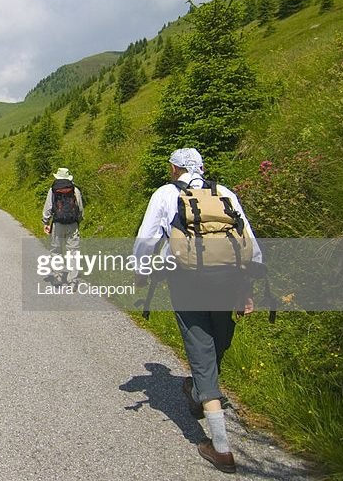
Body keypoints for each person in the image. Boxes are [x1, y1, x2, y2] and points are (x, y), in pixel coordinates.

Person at [132, 148, 261, 474]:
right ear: (202, 167)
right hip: (229, 281)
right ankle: (200, 387)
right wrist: (248, 286)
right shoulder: (223, 192)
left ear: (174, 169)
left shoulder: (165, 194)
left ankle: (221, 449)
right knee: (217, 344)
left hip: (186, 282)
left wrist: (139, 270)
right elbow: (248, 239)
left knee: (201, 352)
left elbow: (146, 239)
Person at [41, 167, 84, 284]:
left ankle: (57, 276)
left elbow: (48, 207)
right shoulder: (75, 190)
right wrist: (77, 221)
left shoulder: (53, 190)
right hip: (73, 224)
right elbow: (80, 209)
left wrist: (45, 222)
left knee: (56, 250)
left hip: (58, 224)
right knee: (73, 252)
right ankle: (73, 279)